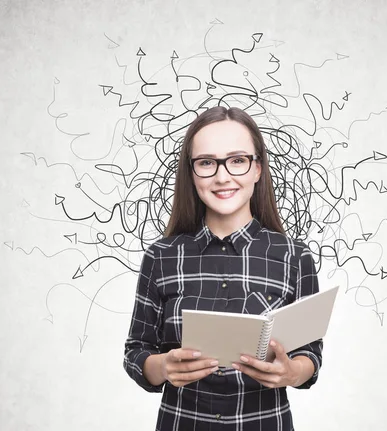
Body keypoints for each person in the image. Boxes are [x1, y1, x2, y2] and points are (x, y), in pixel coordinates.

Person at [123, 106, 323, 430]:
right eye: (206, 163)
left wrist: (290, 372)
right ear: (191, 173)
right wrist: (162, 366)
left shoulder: (294, 257)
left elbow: (310, 357)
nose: (222, 176)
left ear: (257, 168)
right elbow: (136, 352)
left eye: (237, 160)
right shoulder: (161, 257)